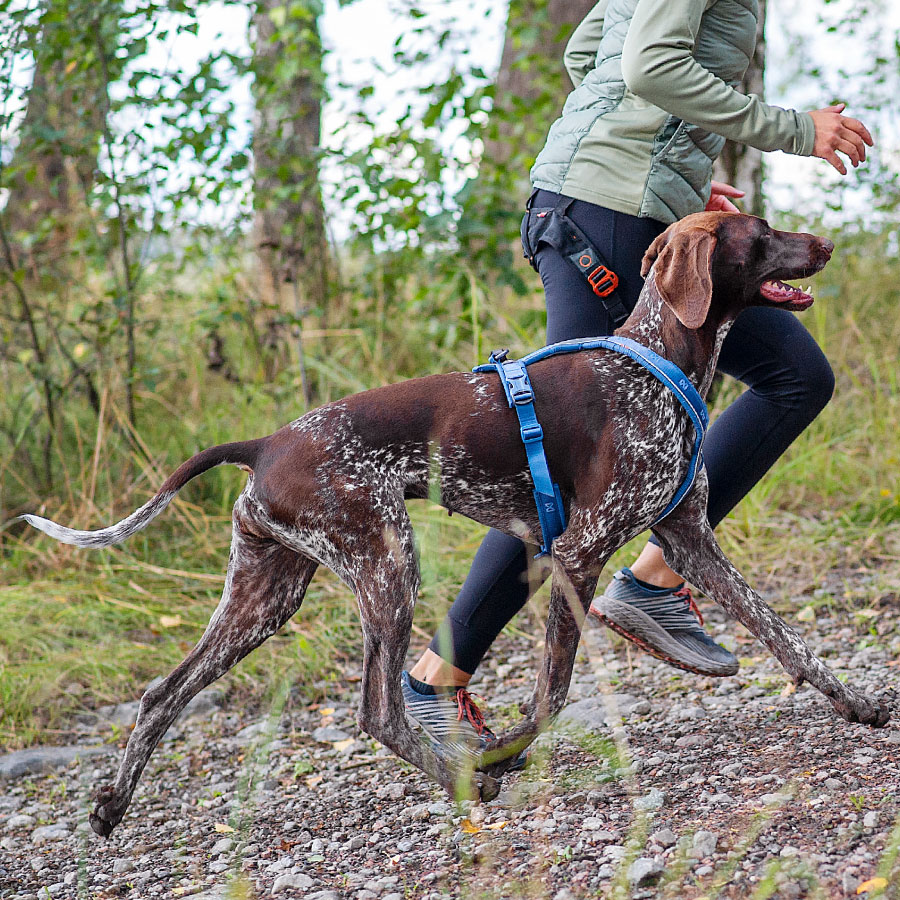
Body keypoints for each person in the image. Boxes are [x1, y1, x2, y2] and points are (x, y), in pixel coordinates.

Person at [400, 0, 873, 758]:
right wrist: (792, 129)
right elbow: (647, 64)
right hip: (606, 217)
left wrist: (674, 174)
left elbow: (589, 54)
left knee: (792, 375)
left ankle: (654, 579)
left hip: (614, 206)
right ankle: (434, 682)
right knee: (567, 463)